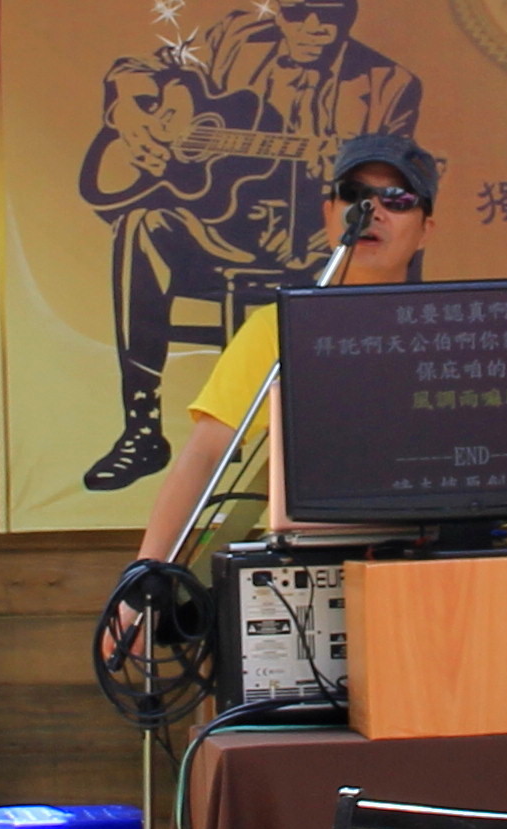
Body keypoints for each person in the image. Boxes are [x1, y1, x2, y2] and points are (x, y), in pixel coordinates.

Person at [75, 0, 424, 490]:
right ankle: (141, 426)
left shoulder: (387, 84)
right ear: (278, 4)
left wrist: (332, 174)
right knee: (143, 224)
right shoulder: (234, 40)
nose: (313, 24)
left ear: (352, 9)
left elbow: (389, 180)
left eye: (330, 11)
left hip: (320, 249)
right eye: (296, 8)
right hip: (224, 232)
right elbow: (145, 67)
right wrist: (129, 105)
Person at [98, 140, 441, 670]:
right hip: (296, 584)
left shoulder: (452, 331)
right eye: (355, 195)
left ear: (426, 227)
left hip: (429, 579)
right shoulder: (276, 329)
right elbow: (207, 456)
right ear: (330, 213)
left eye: (396, 199)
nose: (371, 211)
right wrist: (144, 578)